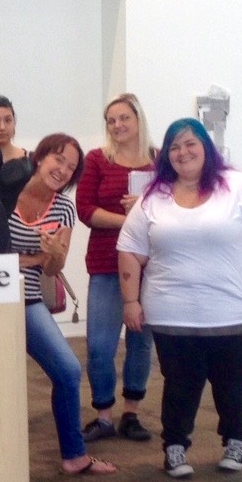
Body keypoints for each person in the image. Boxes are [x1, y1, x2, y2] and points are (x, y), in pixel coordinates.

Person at [117, 118, 242, 478]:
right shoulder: (153, 198)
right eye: (175, 147)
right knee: (180, 384)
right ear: (166, 155)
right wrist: (131, 301)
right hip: (171, 315)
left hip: (234, 313)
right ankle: (175, 448)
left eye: (190, 144)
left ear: (206, 147)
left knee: (232, 382)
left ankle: (235, 442)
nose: (183, 153)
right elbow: (129, 249)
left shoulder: (239, 187)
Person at [11, 133, 118, 477]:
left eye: (71, 167)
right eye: (58, 159)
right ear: (40, 157)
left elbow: (52, 268)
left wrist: (53, 255)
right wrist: (33, 257)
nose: (62, 170)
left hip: (28, 298)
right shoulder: (6, 191)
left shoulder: (64, 208)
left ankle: (75, 456)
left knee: (68, 371)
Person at [77, 94, 157, 443]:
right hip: (106, 264)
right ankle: (104, 416)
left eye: (124, 118)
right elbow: (85, 209)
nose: (117, 125)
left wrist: (146, 205)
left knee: (141, 343)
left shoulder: (159, 160)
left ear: (138, 119)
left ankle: (131, 414)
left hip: (151, 266)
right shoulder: (97, 159)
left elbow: (177, 205)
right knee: (99, 344)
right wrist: (129, 220)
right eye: (111, 120)